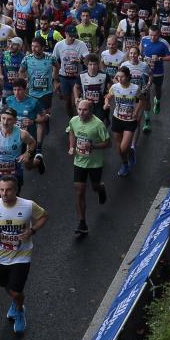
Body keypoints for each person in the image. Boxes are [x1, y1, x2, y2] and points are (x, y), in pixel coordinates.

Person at [0, 175, 46, 335]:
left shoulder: (28, 206)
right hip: (0, 256)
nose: (4, 193)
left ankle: (19, 310)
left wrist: (32, 230)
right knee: (6, 286)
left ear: (16, 190)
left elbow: (43, 216)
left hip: (22, 255)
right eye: (2, 189)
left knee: (16, 291)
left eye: (8, 190)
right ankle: (15, 303)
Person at [65, 96, 109, 237]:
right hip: (79, 161)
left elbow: (108, 143)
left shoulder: (98, 124)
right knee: (79, 191)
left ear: (91, 111)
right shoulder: (74, 121)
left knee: (95, 187)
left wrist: (93, 146)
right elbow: (71, 131)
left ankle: (101, 188)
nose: (81, 112)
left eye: (84, 110)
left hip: (95, 163)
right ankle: (82, 222)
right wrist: (72, 146)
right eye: (79, 109)